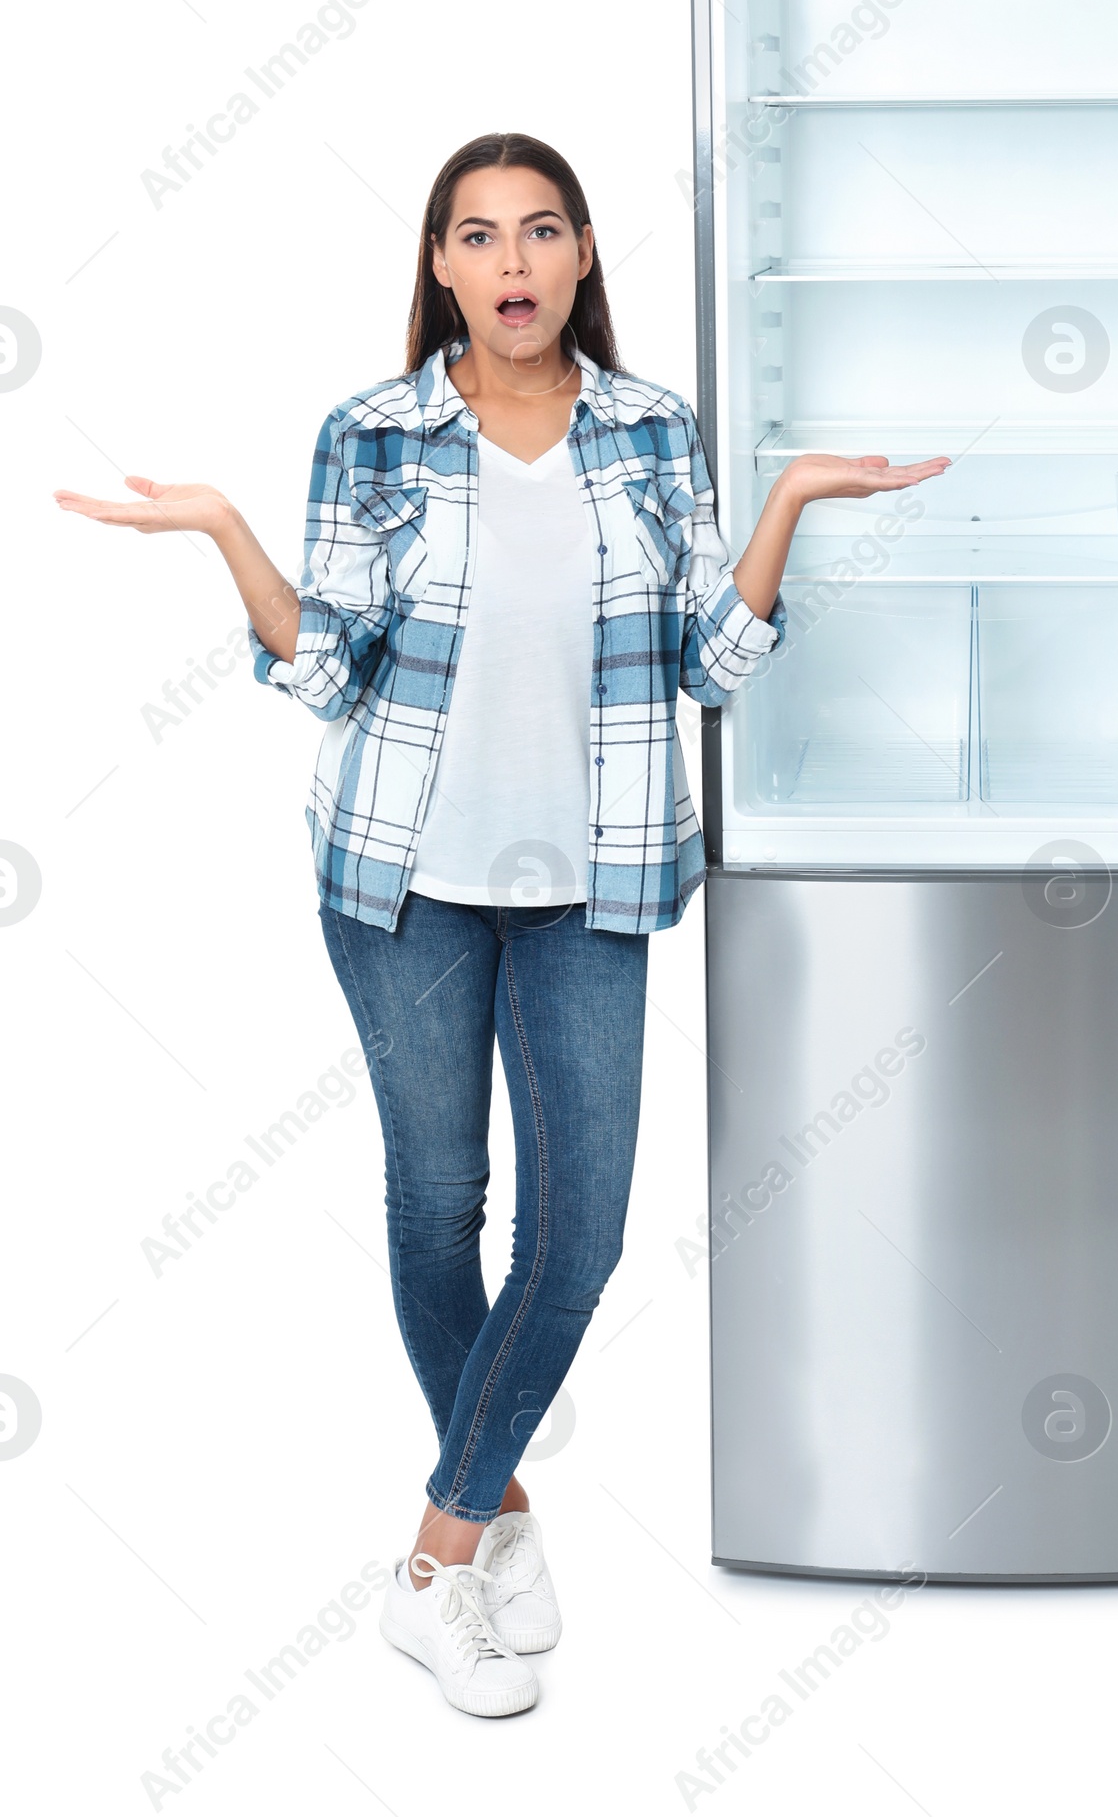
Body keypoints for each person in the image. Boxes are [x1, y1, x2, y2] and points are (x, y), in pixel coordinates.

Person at [56, 131, 948, 1718]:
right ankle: (506, 1517)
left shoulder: (653, 431)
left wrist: (796, 499)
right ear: (443, 265)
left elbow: (706, 665)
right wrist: (223, 533)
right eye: (480, 236)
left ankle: (435, 1555)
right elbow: (323, 671)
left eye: (542, 232)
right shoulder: (376, 433)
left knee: (582, 1235)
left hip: (597, 880)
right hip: (401, 878)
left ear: (586, 256)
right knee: (437, 1206)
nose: (514, 262)